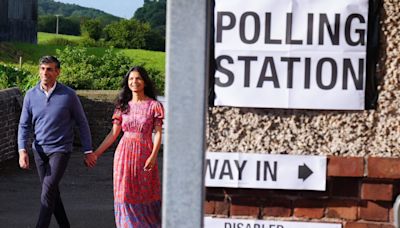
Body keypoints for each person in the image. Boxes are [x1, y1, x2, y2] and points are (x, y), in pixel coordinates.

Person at [18, 56, 96, 228]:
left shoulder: (69, 95)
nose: (45, 73)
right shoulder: (30, 95)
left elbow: (82, 122)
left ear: (57, 72)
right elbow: (24, 124)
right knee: (52, 192)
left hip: (60, 149)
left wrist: (88, 150)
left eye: (50, 69)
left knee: (47, 190)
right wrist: (22, 150)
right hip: (39, 150)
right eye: (43, 69)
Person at [85, 66, 164, 227]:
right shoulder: (122, 106)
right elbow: (113, 134)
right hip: (124, 153)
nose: (134, 82)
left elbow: (158, 133)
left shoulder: (154, 105)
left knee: (145, 192)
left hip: (145, 152)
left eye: (138, 78)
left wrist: (154, 155)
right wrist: (96, 154)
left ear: (145, 82)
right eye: (131, 79)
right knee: (124, 193)